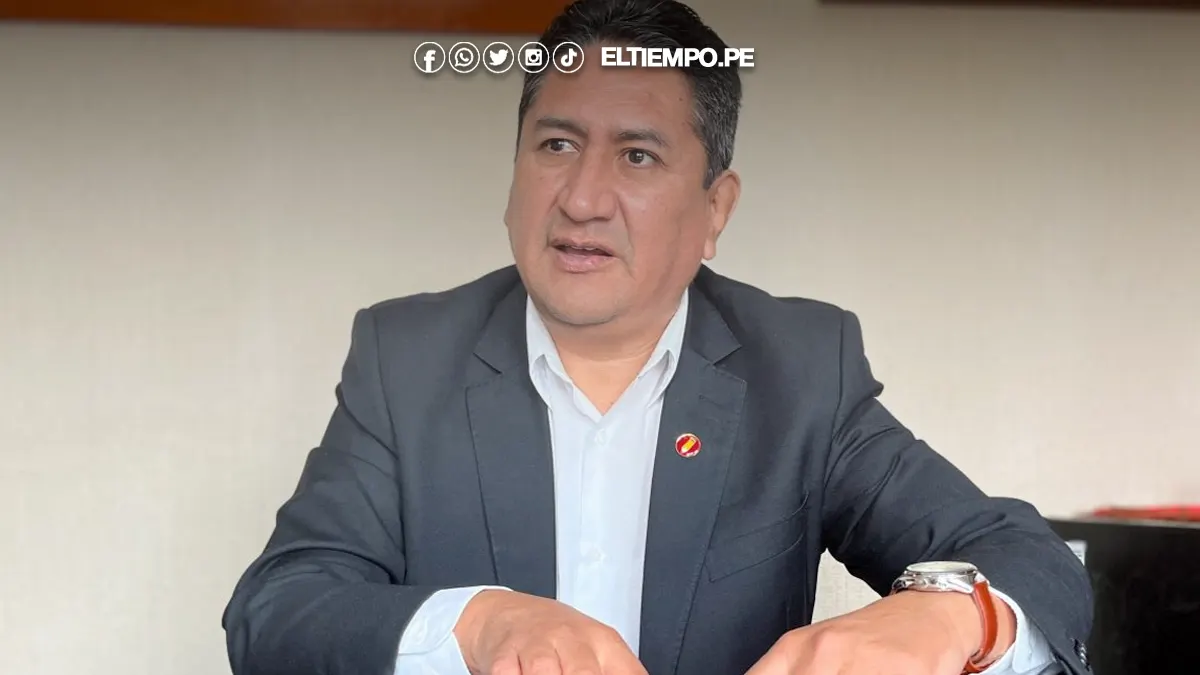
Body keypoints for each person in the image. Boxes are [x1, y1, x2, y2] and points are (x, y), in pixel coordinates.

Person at [222, 1, 1093, 673]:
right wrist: (479, 621)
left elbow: (1030, 559)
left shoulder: (799, 370)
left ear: (715, 210)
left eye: (637, 156)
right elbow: (277, 612)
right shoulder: (407, 358)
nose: (582, 198)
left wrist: (945, 615)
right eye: (555, 144)